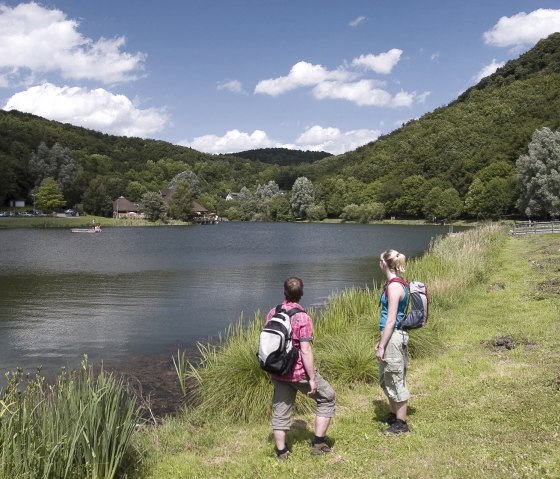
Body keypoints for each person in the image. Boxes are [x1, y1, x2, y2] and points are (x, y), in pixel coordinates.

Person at [266, 277, 336, 459]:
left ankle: (281, 451)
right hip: (298, 372)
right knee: (328, 397)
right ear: (302, 293)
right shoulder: (303, 317)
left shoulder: (273, 312)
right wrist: (312, 378)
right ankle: (319, 443)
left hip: (278, 371)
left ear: (284, 292)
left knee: (281, 411)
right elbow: (305, 349)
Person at [375, 249, 411, 434]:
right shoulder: (393, 284)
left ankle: (401, 424)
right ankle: (394, 414)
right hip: (390, 335)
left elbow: (391, 320)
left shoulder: (394, 287)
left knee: (396, 377)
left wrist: (382, 345)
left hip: (394, 335)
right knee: (386, 377)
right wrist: (381, 341)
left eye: (380, 260)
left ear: (384, 263)